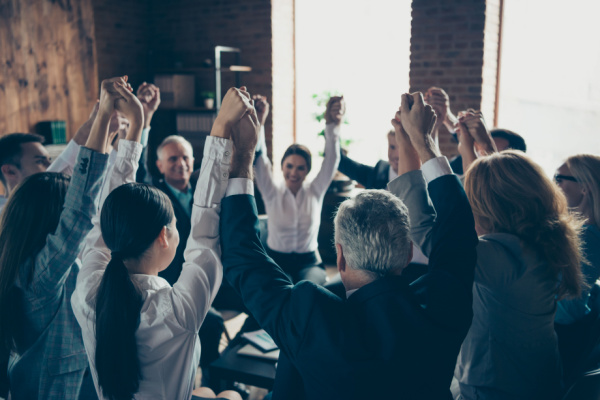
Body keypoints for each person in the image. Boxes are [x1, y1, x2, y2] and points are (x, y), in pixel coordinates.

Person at [219, 90, 478, 399]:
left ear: (339, 258)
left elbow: (241, 255)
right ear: (408, 253)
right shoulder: (444, 302)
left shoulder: (311, 315)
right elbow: (459, 227)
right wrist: (425, 141)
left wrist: (244, 151)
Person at [71, 85, 249, 400]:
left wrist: (137, 127)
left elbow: (112, 213)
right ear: (163, 236)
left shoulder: (87, 292)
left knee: (208, 392)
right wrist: (220, 129)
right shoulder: (177, 312)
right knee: (230, 397)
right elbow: (205, 232)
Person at [436, 110, 585, 398]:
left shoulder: (506, 253)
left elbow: (433, 232)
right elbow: (503, 189)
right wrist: (473, 146)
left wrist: (425, 147)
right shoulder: (541, 237)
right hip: (535, 382)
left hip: (498, 390)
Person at [0, 78, 115, 399]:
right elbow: (79, 210)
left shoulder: (21, 258)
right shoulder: (39, 276)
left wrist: (103, 126)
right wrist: (103, 117)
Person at [252, 95, 341, 285]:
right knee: (282, 291)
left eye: (301, 167)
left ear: (307, 170)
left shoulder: (315, 191)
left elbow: (332, 160)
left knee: (308, 290)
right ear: (282, 166)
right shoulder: (271, 191)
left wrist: (332, 125)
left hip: (309, 262)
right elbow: (260, 158)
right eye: (289, 166)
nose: (294, 172)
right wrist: (260, 121)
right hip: (276, 261)